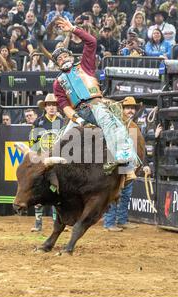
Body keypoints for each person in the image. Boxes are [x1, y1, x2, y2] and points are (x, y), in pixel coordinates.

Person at [51, 17, 138, 178]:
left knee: (114, 127)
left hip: (96, 105)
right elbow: (64, 106)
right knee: (61, 142)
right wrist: (78, 119)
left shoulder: (85, 65)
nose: (62, 59)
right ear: (57, 64)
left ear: (71, 56)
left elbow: (91, 42)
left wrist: (73, 29)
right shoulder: (57, 83)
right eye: (58, 59)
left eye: (64, 56)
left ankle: (127, 169)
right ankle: (53, 178)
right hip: (78, 113)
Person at [103, 96, 142, 231]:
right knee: (114, 191)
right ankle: (109, 222)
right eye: (127, 108)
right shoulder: (115, 123)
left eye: (132, 108)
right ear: (122, 110)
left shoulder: (134, 126)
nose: (130, 111)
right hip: (116, 162)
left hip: (128, 163)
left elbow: (139, 147)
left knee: (126, 192)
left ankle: (122, 219)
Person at [29, 93, 65, 232]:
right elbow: (33, 142)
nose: (51, 107)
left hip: (58, 162)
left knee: (58, 192)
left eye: (54, 105)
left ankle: (59, 223)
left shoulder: (62, 122)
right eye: (49, 105)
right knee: (40, 190)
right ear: (45, 107)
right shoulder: (38, 122)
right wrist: (38, 157)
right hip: (43, 161)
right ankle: (38, 224)